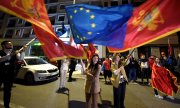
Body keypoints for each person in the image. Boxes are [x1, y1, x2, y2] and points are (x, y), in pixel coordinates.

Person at [0, 40, 25, 108]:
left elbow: (20, 59)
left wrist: (23, 52)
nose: (11, 46)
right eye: (9, 44)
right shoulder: (1, 52)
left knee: (7, 91)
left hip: (10, 75)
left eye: (11, 44)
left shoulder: (15, 53)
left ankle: (6, 105)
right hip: (0, 74)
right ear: (3, 45)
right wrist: (10, 55)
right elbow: (1, 59)